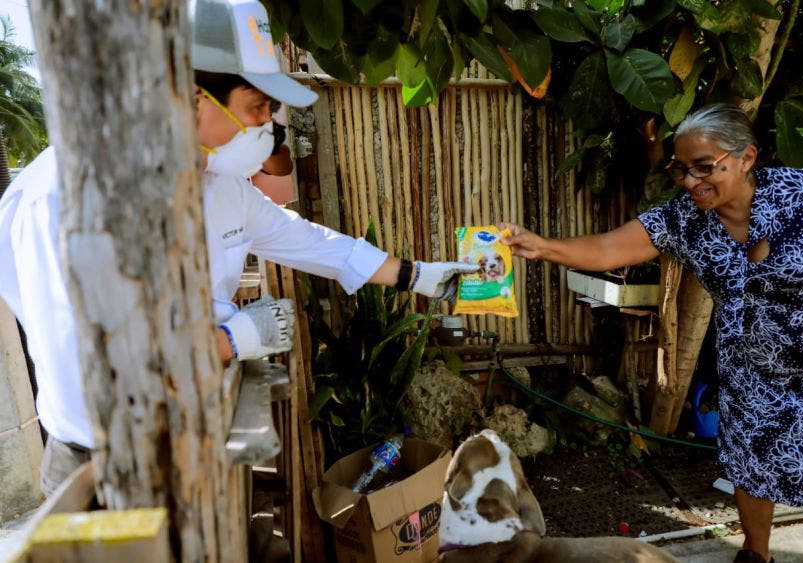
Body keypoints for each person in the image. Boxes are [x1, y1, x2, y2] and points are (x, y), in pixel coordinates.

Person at [0, 0, 476, 496]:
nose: (267, 130)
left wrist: (416, 276)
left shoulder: (218, 185)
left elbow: (309, 241)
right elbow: (92, 373)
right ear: (188, 96)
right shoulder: (63, 199)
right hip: (104, 467)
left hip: (201, 434)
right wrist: (230, 341)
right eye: (258, 108)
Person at [501, 103, 803, 563]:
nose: (690, 182)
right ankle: (756, 553)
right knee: (752, 461)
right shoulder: (683, 220)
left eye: (704, 167)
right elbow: (607, 248)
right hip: (753, 366)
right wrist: (542, 246)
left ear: (746, 158)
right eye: (681, 169)